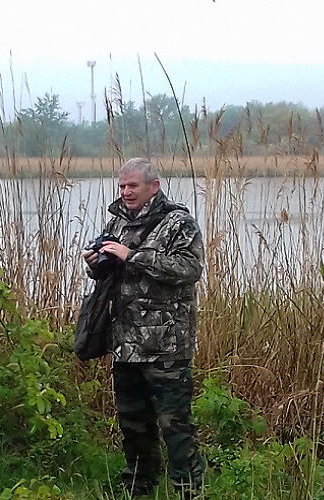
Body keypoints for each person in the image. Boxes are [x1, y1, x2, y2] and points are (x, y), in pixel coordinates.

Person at [82, 158, 206, 498]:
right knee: (133, 427)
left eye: (132, 186)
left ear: (154, 186)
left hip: (166, 346)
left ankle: (188, 491)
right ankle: (137, 488)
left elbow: (188, 268)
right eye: (121, 186)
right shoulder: (118, 222)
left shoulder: (179, 222)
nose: (125, 192)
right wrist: (97, 264)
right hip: (125, 345)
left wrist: (131, 255)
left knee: (175, 428)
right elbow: (115, 272)